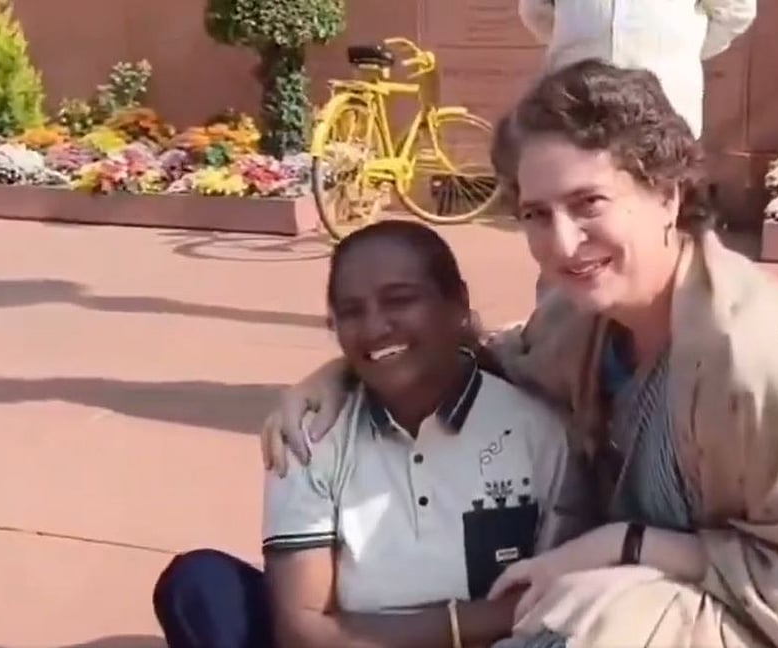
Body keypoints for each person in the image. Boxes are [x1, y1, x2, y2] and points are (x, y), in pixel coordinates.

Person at [262, 61, 778, 647]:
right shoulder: (583, 326)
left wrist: (629, 546)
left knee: (590, 623)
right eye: (536, 215)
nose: (562, 244)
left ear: (666, 193)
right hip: (714, 585)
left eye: (589, 204)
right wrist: (335, 373)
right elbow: (481, 352)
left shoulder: (765, 368)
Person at [154, 220, 589, 648]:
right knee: (200, 586)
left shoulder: (538, 431)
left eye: (399, 300)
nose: (376, 327)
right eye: (351, 311)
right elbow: (302, 628)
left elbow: (557, 600)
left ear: (457, 303)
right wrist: (474, 619)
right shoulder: (312, 436)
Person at [516, 0, 757, 139]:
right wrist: (583, 42)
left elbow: (735, 12)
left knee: (656, 196)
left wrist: (679, 51)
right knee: (577, 199)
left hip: (665, 100)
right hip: (577, 98)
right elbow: (536, 11)